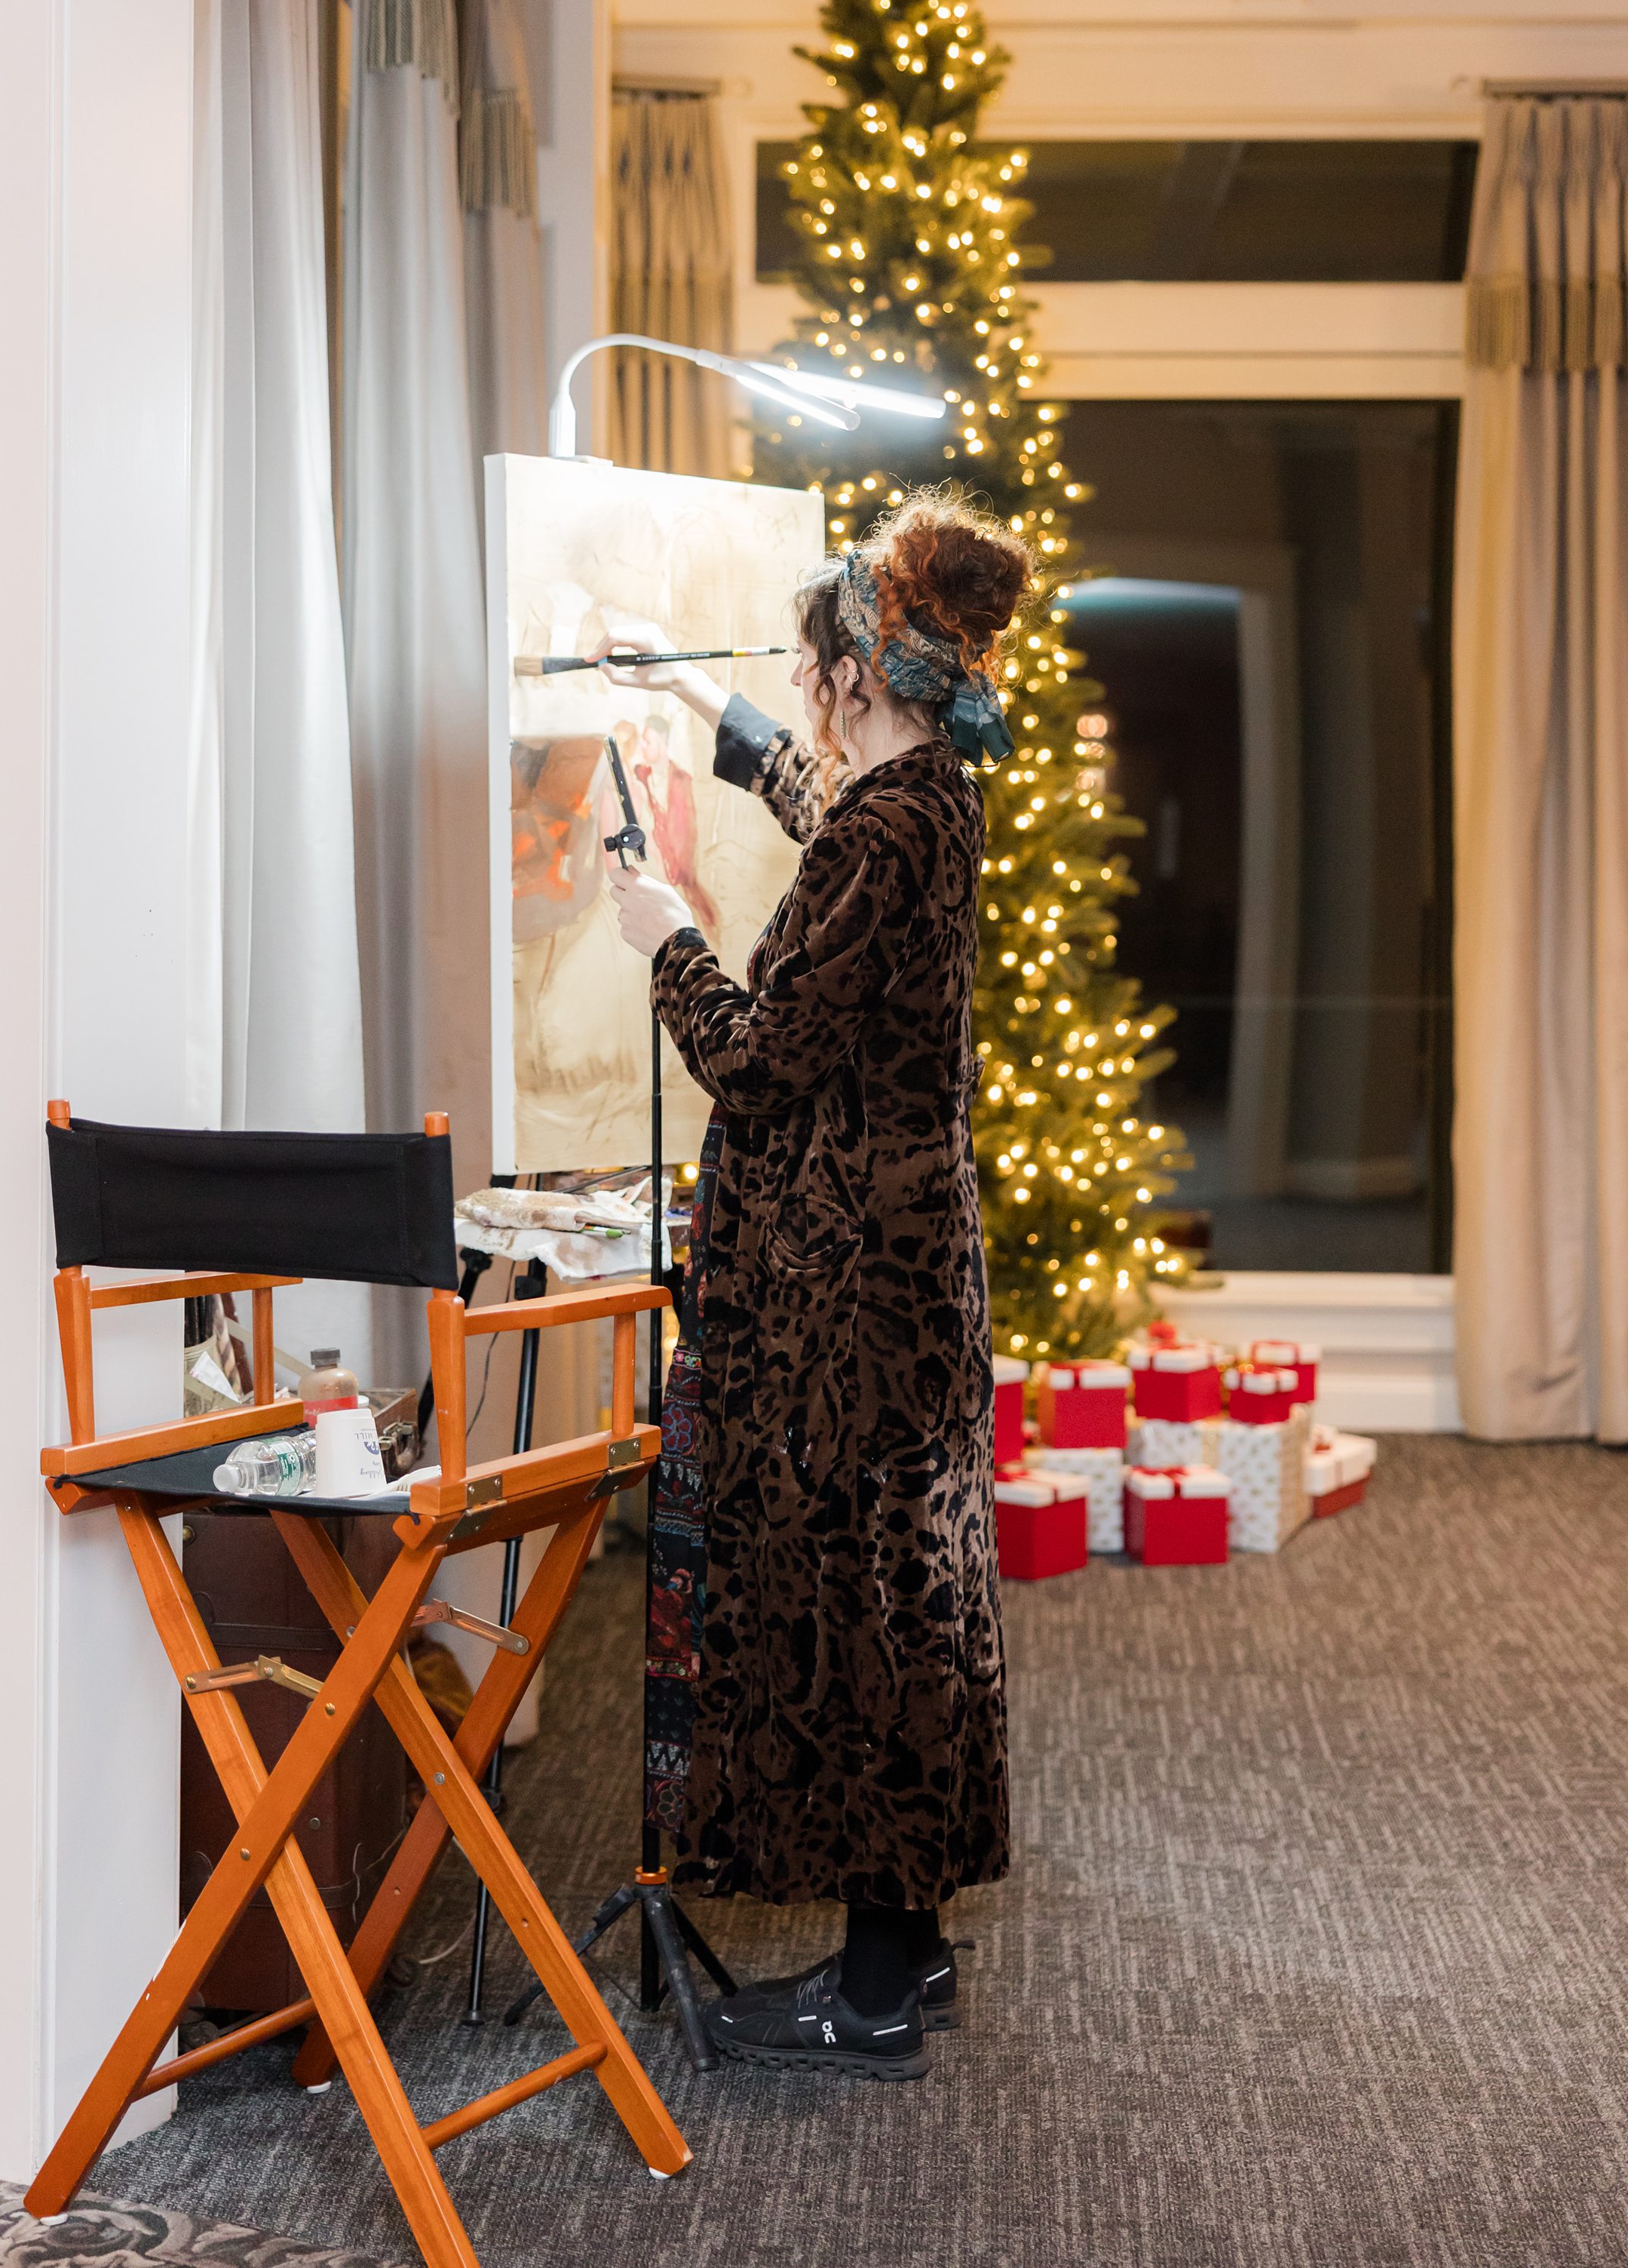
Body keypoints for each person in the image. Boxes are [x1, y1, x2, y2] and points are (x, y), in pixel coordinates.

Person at [604, 491, 1031, 2082]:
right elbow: (826, 811)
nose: (795, 693)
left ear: (855, 672)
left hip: (853, 1286)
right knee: (908, 1595)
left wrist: (666, 940)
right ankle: (898, 1953)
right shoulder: (930, 797)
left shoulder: (882, 828)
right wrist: (698, 705)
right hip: (915, 1263)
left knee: (862, 1606)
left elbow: (760, 1057)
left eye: (797, 669)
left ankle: (866, 1988)